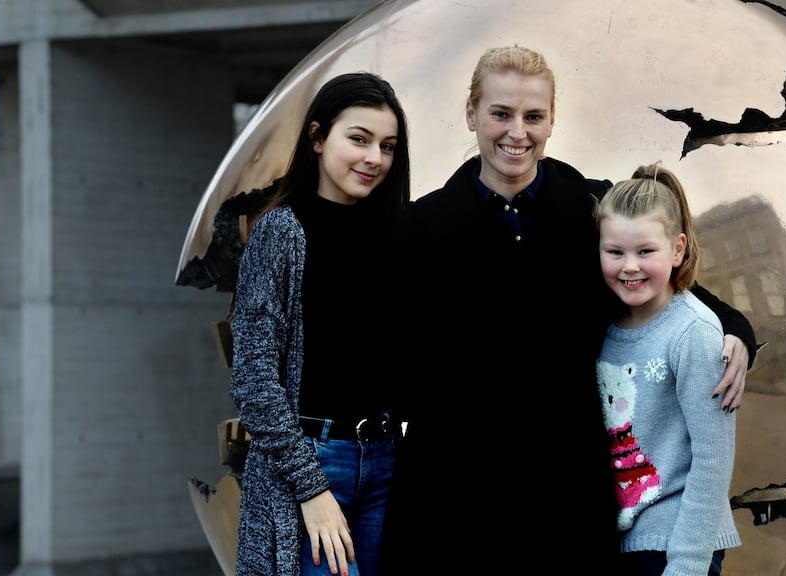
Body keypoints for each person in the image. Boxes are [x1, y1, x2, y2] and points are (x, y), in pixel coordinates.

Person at [380, 45, 755, 572]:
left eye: (533, 116)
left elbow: (668, 281)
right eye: (500, 114)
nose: (517, 132)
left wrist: (736, 330)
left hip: (569, 510)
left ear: (552, 121)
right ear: (471, 114)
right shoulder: (422, 227)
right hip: (453, 507)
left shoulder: (586, 209)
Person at [230, 71, 411, 576]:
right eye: (359, 138)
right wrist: (311, 489)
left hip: (386, 463)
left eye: (388, 145)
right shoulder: (281, 232)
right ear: (316, 138)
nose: (374, 157)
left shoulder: (398, 233)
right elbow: (253, 377)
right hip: (311, 463)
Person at [596, 163, 741, 575]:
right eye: (615, 252)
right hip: (625, 541)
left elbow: (713, 460)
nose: (630, 266)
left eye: (646, 251)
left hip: (677, 545)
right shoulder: (604, 326)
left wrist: (688, 564)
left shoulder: (693, 333)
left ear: (677, 250)